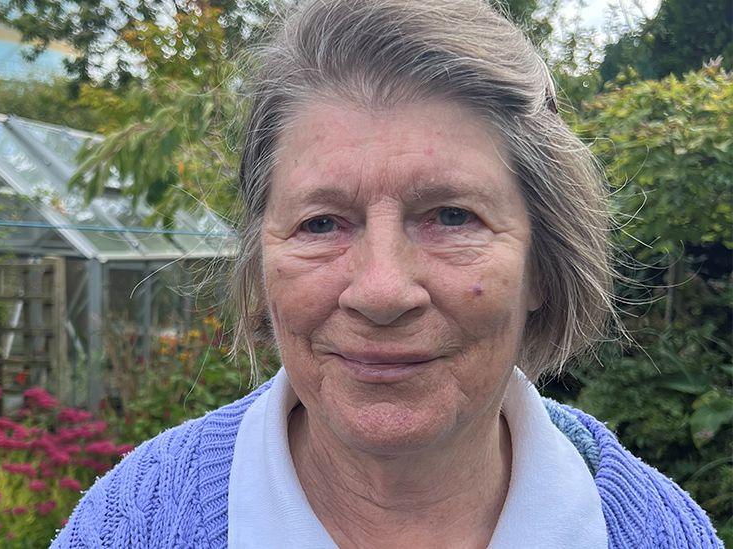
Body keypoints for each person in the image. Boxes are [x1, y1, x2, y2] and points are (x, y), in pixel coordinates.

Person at [53, 0, 721, 547]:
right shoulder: (134, 525)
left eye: (452, 216)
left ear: (543, 265)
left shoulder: (659, 533)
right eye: (321, 223)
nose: (380, 290)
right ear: (261, 262)